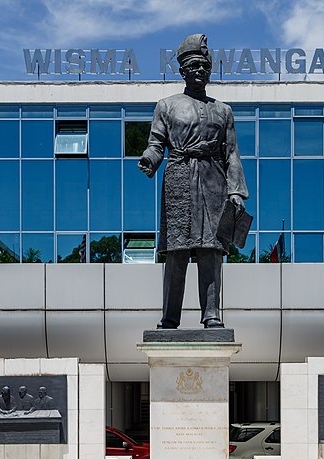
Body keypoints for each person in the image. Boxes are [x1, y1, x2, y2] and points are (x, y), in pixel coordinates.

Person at [138, 34, 248, 329]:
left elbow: (232, 152)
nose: (201, 70)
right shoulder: (167, 105)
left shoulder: (223, 111)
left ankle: (211, 313)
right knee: (177, 250)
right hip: (179, 175)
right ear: (183, 71)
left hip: (214, 179)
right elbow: (156, 143)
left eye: (205, 66)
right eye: (195, 65)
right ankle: (170, 317)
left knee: (212, 250)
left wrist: (236, 191)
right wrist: (149, 159)